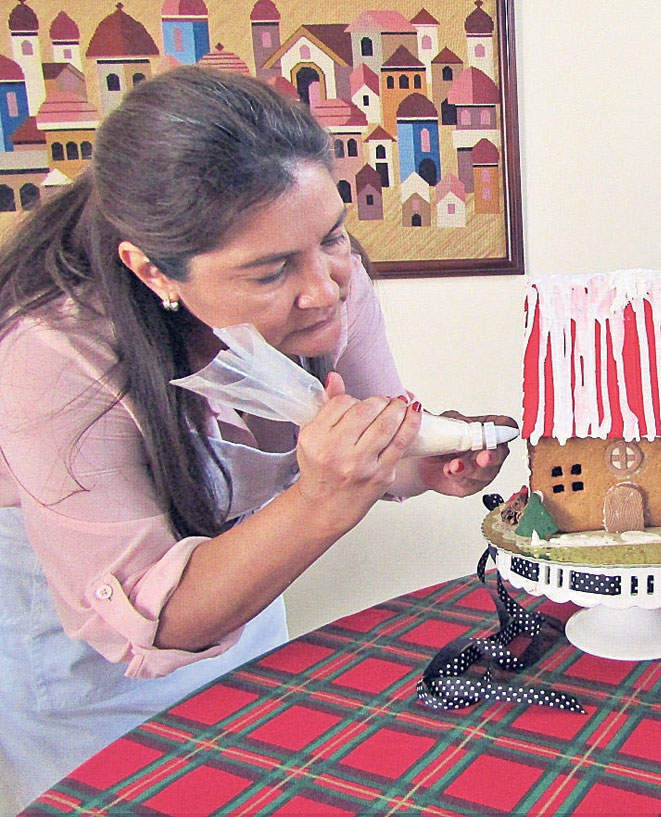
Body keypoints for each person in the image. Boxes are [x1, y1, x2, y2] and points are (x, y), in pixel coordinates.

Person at [0, 67, 511, 813]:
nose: (326, 289)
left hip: (244, 594)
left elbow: (369, 446)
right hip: (91, 649)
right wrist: (322, 498)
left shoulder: (329, 279)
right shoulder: (53, 356)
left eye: (332, 237)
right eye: (272, 271)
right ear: (150, 269)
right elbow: (161, 621)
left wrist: (421, 464)